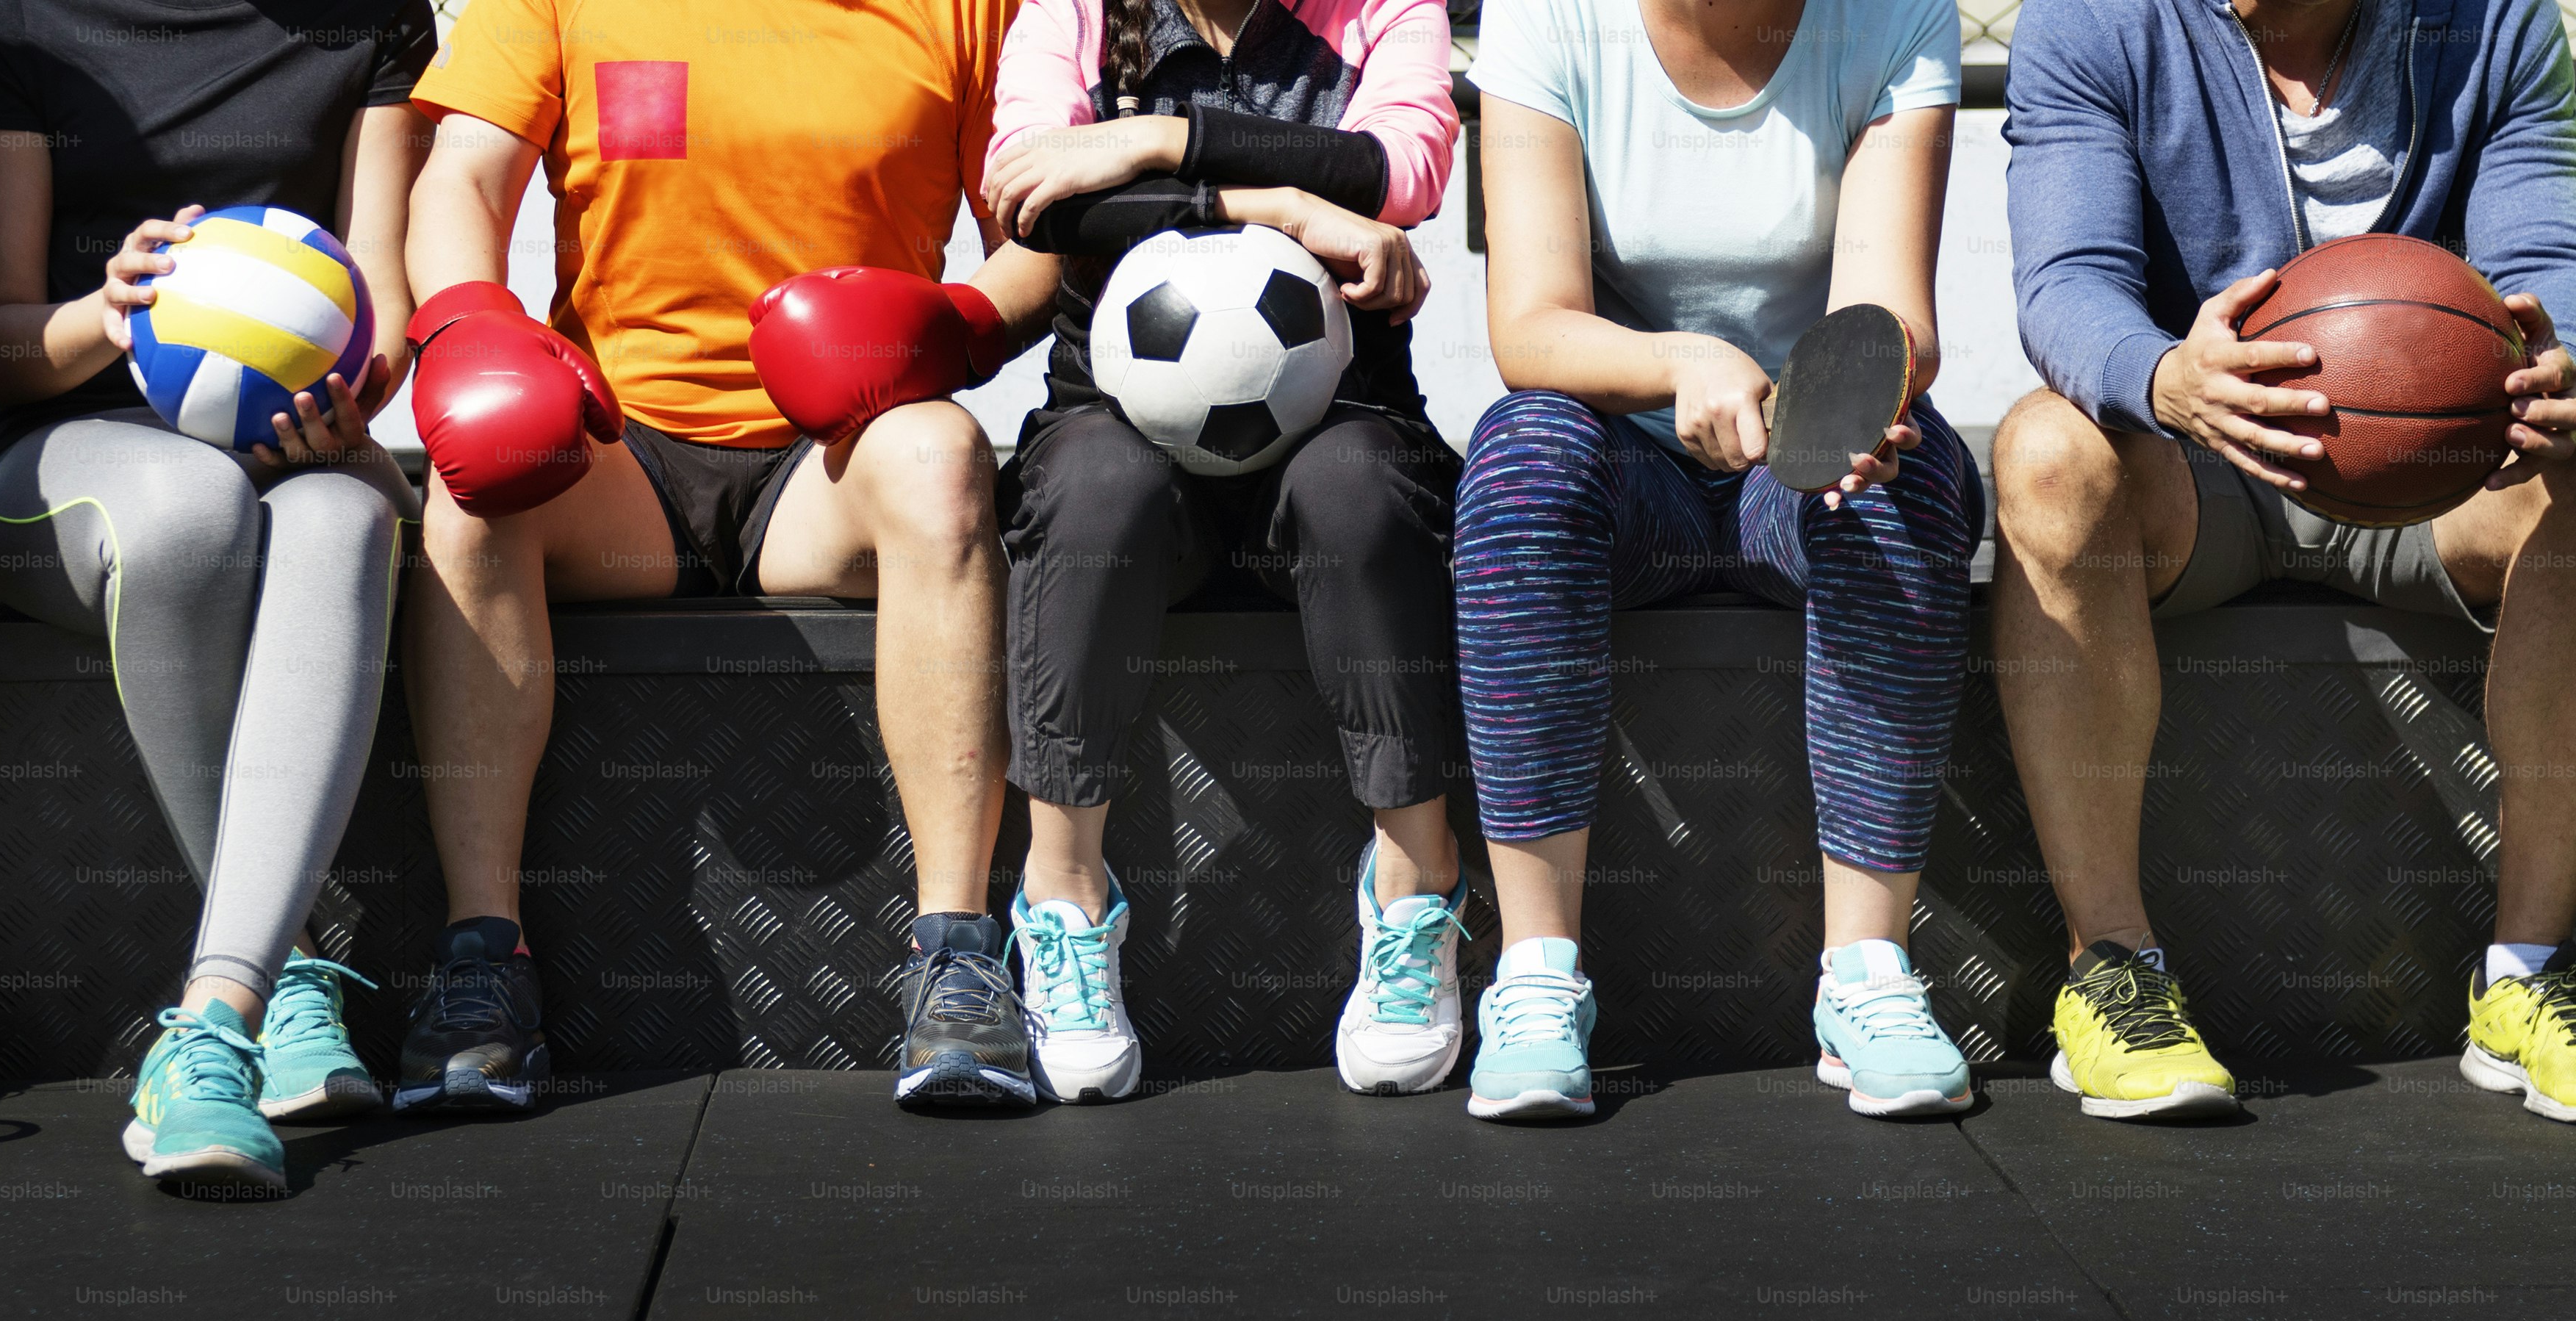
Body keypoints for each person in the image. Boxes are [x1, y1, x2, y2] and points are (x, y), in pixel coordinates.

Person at [394, 0, 1061, 1109]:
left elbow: (1032, 246)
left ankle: (957, 958)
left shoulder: (971, 7)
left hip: (838, 450)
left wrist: (943, 330)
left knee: (946, 458)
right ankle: (481, 966)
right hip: (626, 455)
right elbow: (460, 177)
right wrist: (472, 322)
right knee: (471, 500)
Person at [1995, 0, 2576, 1120]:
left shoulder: (2494, 21)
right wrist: (2167, 377)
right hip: (2198, 460)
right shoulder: (2091, 21)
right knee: (2046, 452)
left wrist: (2559, 370)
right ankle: (2112, 970)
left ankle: (2532, 974)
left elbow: (2548, 267)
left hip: (2436, 475)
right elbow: (2066, 285)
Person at [1453, 0, 1980, 1120]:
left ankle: (1865, 977)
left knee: (1919, 472)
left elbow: (1894, 319)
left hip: (1797, 464)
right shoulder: (1548, 17)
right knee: (1519, 457)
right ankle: (1538, 976)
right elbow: (1532, 329)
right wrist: (1683, 361)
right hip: (1629, 458)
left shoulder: (1897, 18)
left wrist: (1856, 416)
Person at [0, 0, 433, 1187]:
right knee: (194, 517)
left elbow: (387, 302)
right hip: (62, 463)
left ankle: (215, 1023)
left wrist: (345, 391)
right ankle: (296, 963)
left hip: (286, 444)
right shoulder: (21, 24)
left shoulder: (370, 19)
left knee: (352, 517)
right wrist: (107, 317)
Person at [978, 0, 1464, 1101]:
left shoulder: (1386, 10)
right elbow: (1036, 201)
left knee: (1359, 494)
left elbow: (1400, 173)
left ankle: (1416, 887)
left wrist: (1158, 142)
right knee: (1097, 493)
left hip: (1343, 413)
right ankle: (1063, 897)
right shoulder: (1074, 14)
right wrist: (1279, 204)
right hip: (1118, 420)